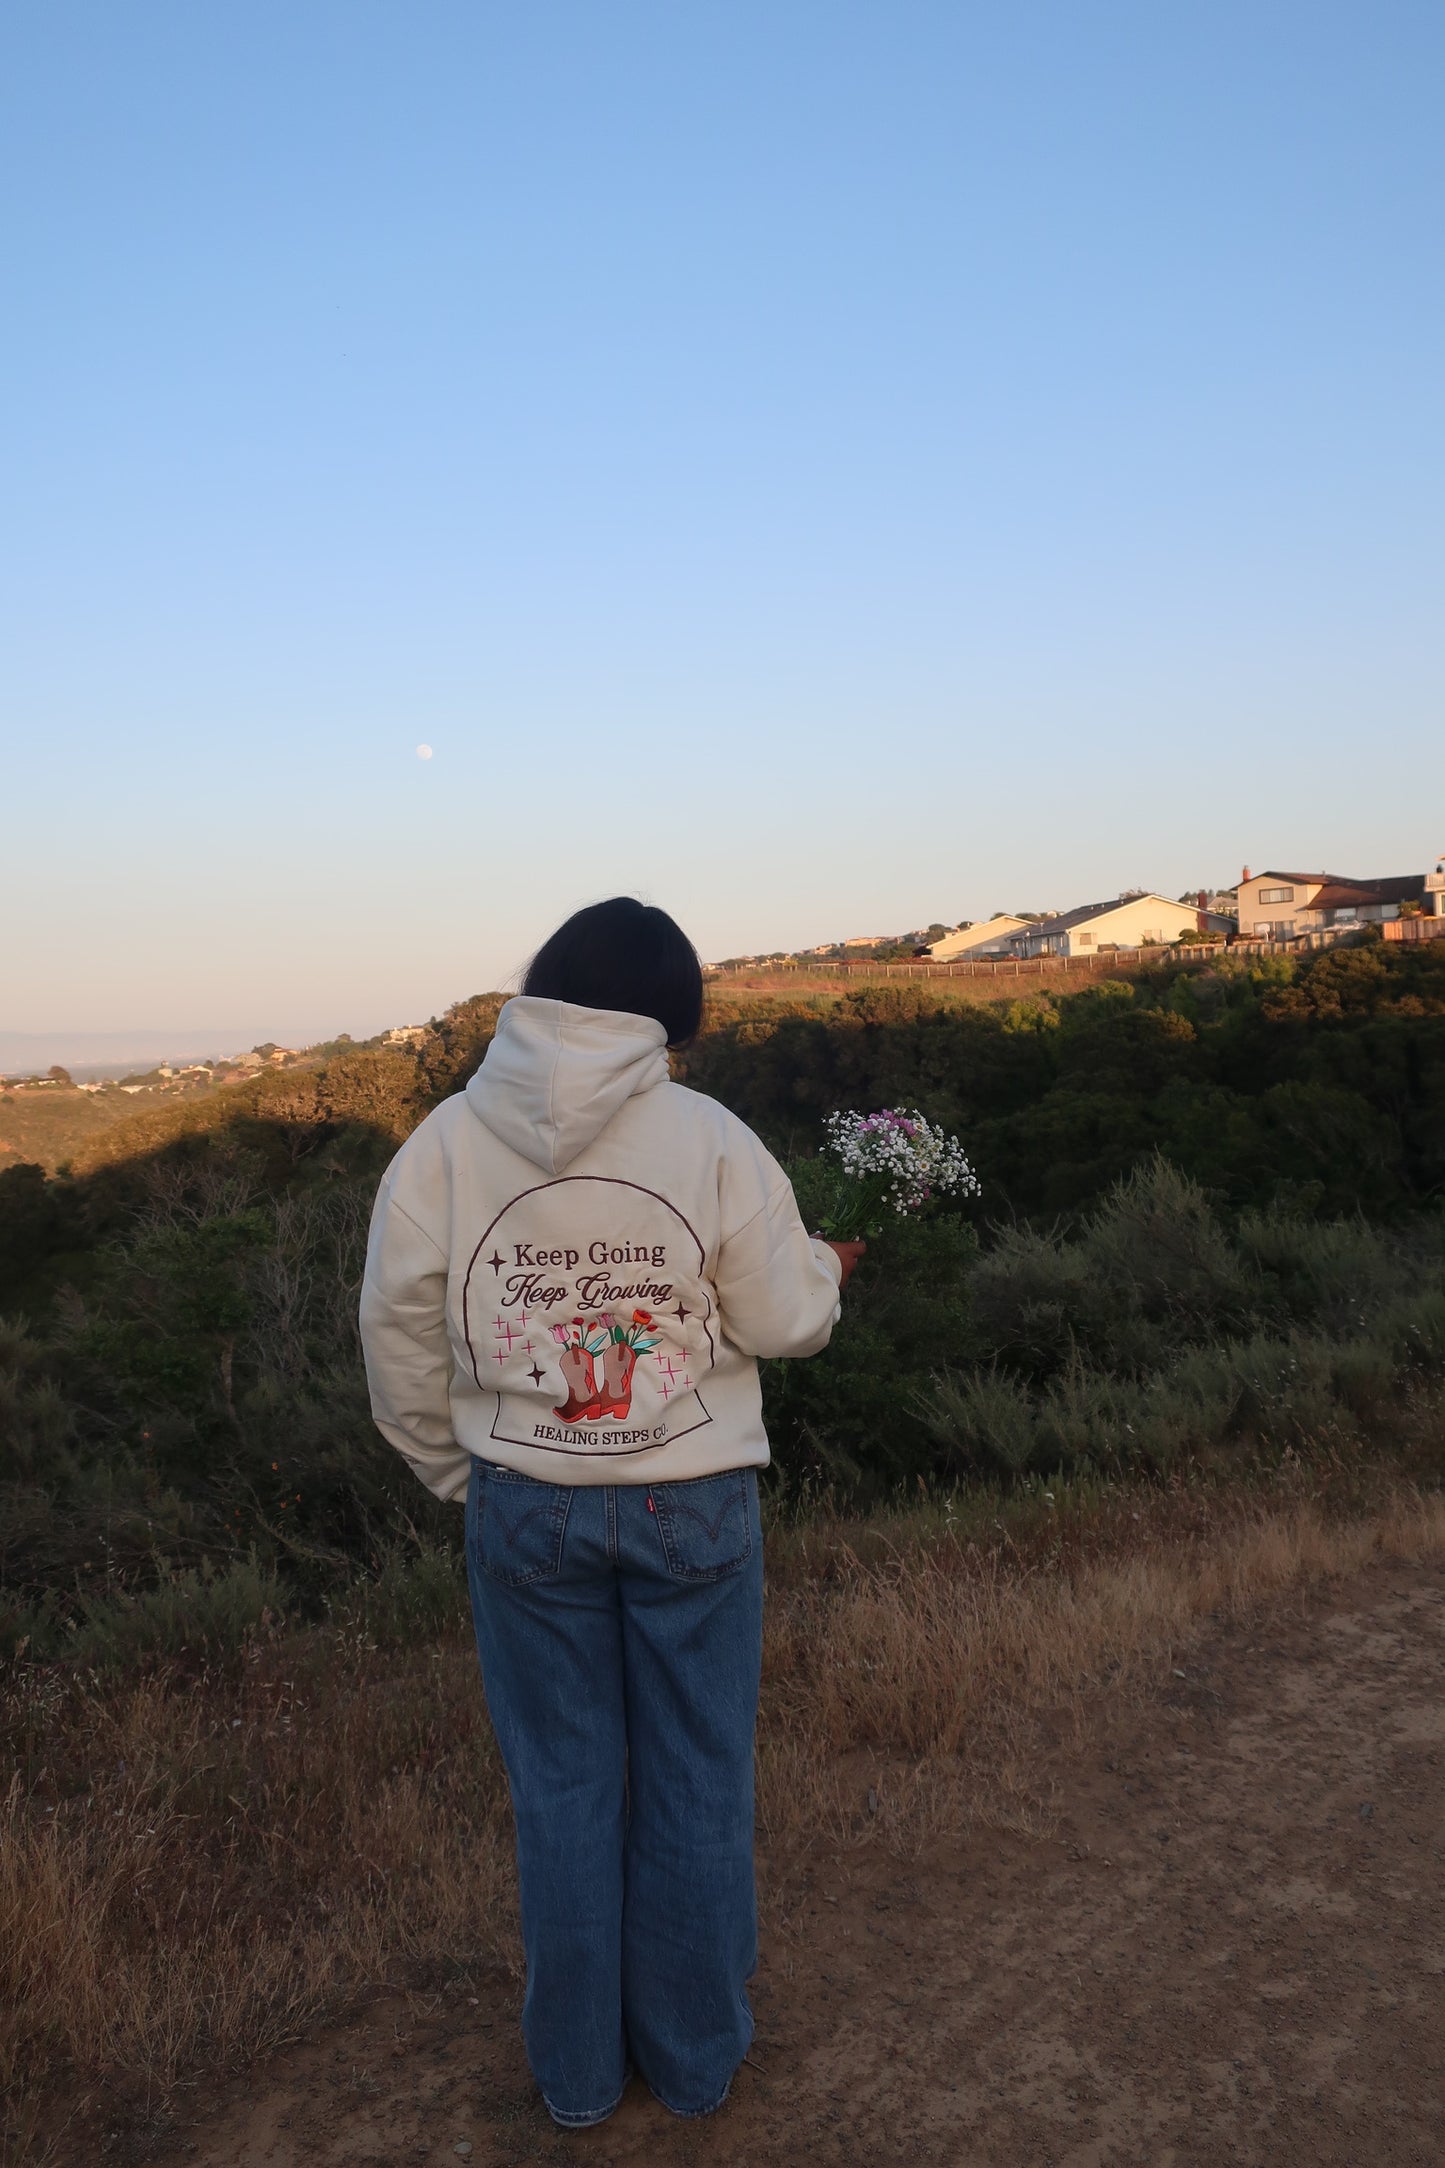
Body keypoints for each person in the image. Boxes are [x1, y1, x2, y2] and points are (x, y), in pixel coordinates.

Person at [359, 897, 861, 2128]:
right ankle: (694, 2061)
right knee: (697, 1778)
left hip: (524, 1505)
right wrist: (825, 1271)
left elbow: (396, 1335)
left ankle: (577, 2079)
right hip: (693, 1500)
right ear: (666, 1010)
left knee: (565, 1791)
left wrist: (459, 1474)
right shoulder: (709, 1135)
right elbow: (786, 1321)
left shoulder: (440, 1144)